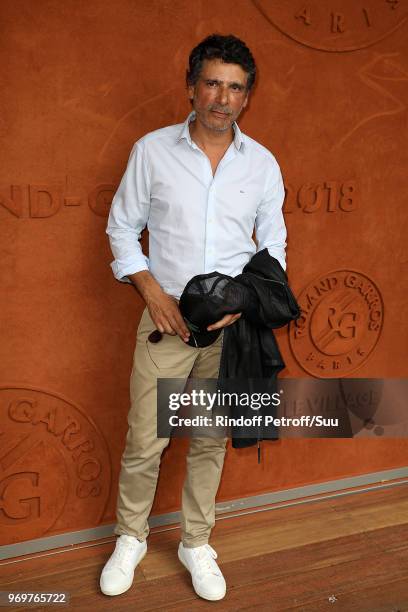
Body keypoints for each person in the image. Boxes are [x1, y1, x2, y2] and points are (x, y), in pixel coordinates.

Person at [100, 33, 287, 602]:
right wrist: (152, 290)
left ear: (247, 97)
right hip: (166, 323)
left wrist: (243, 303)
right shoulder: (151, 151)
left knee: (208, 438)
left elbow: (273, 248)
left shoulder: (261, 164)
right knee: (145, 439)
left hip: (229, 331)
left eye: (234, 88)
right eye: (212, 83)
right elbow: (120, 229)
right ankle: (129, 538)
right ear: (191, 87)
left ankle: (195, 542)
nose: (221, 99)